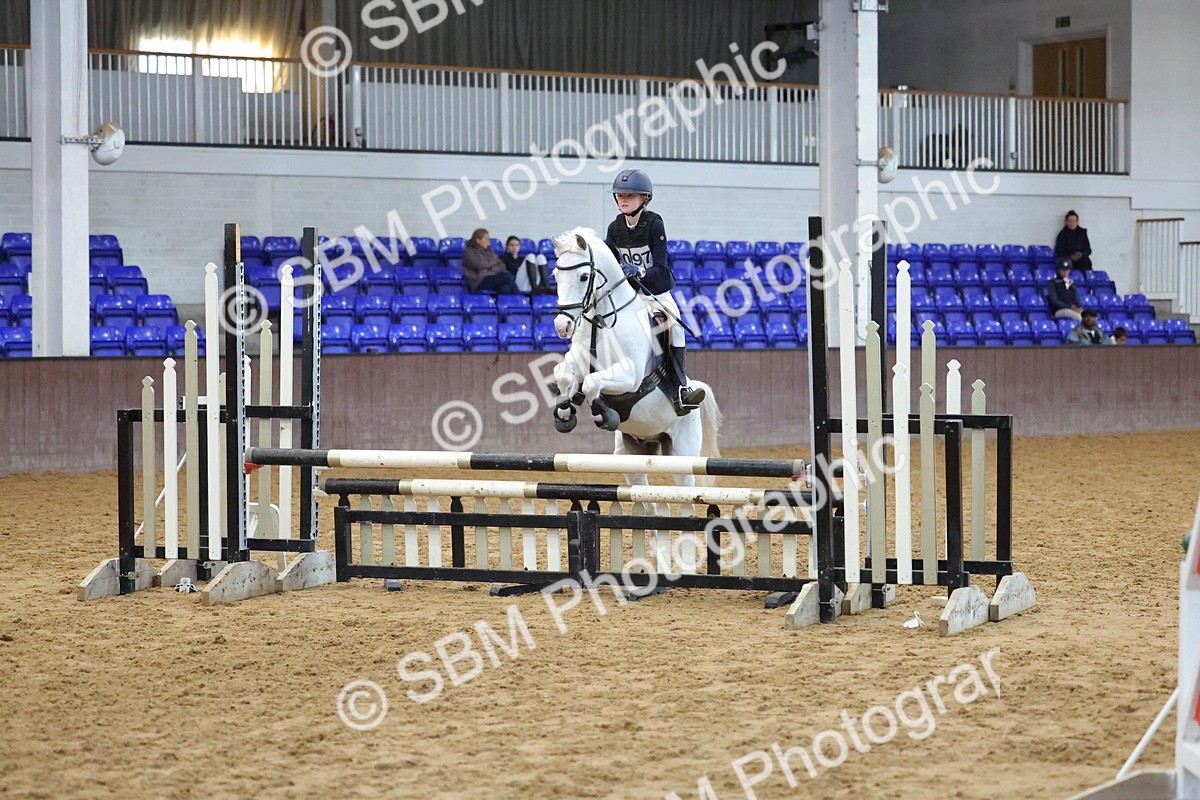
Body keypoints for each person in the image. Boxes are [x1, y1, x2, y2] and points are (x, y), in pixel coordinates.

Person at [604, 168, 704, 414]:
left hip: (655, 293)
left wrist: (637, 270)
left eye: (631, 195)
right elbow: (608, 264)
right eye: (620, 195)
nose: (624, 200)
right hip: (629, 297)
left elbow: (660, 267)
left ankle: (681, 389)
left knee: (677, 329)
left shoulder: (654, 224)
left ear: (644, 199)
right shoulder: (614, 228)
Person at [461, 229, 520, 294]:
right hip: (479, 281)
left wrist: (489, 269)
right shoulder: (469, 252)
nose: (489, 241)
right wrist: (493, 266)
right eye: (486, 239)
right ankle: (519, 299)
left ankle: (508, 303)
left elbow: (502, 265)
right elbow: (480, 265)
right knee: (507, 277)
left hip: (492, 277)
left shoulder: (489, 251)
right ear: (478, 240)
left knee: (505, 288)